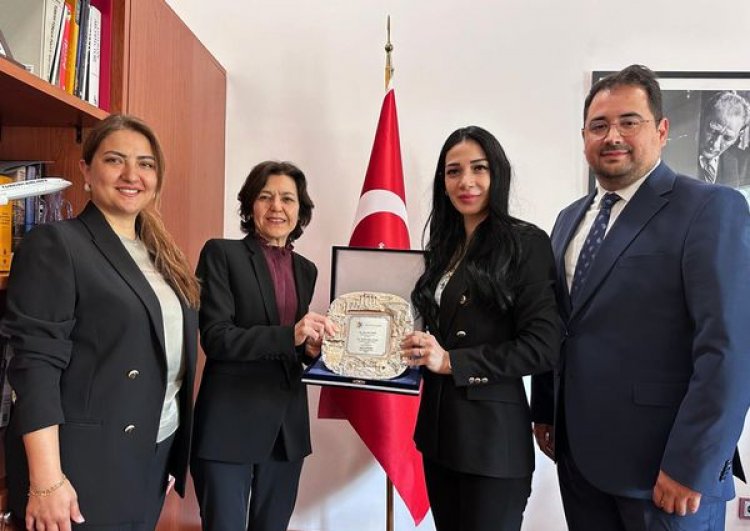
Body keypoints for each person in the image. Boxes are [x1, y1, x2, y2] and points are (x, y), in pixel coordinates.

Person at [531, 65, 750, 531]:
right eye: (599, 125)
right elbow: (562, 327)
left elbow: (730, 351)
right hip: (579, 461)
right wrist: (546, 410)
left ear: (662, 130)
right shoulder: (568, 219)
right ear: (584, 137)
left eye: (629, 121)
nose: (612, 136)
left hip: (666, 474)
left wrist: (692, 464)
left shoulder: (709, 208)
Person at [3, 114, 200, 530]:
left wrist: (164, 453)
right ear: (87, 171)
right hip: (81, 467)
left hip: (149, 454)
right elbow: (35, 366)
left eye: (145, 164)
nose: (132, 175)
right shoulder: (57, 243)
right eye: (115, 160)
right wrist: (46, 481)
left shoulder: (161, 253)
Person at [401, 126, 560, 531]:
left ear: (497, 173)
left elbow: (543, 346)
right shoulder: (444, 248)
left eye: (479, 168)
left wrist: (452, 362)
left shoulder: (525, 243)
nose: (466, 181)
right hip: (439, 437)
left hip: (491, 444)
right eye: (453, 171)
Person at [191, 160, 335, 531]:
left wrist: (309, 351)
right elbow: (217, 337)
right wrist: (291, 336)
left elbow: (292, 346)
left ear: (300, 210)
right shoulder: (221, 254)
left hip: (286, 430)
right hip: (229, 424)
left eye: (288, 199)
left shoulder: (306, 269)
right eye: (265, 197)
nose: (277, 207)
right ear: (249, 205)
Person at [698, 90, 750, 188]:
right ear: (701, 119)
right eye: (713, 131)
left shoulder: (745, 164)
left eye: (727, 138)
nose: (715, 144)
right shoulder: (674, 150)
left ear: (739, 135)